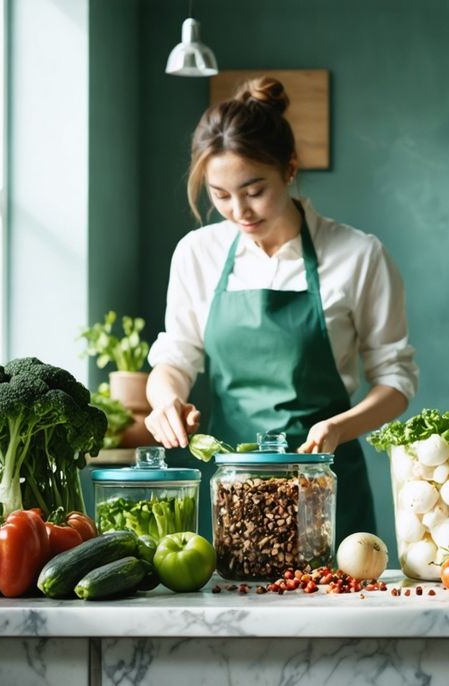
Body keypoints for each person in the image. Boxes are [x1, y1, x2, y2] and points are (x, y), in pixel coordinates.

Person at [144, 77, 417, 541]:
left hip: (328, 490)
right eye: (220, 195)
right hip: (236, 492)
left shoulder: (357, 255)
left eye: (254, 190)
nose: (239, 211)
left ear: (290, 169)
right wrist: (165, 400)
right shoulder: (197, 253)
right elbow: (175, 357)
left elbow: (396, 380)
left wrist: (338, 427)